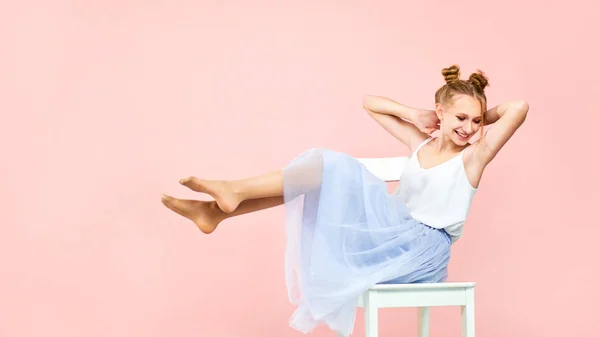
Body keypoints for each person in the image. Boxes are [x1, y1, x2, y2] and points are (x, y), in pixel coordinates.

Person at [160, 64, 529, 336]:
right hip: (389, 232)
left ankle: (232, 195)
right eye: (460, 118)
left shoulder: (474, 156)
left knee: (331, 167)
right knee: (323, 171)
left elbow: (518, 108)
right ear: (441, 112)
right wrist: (414, 114)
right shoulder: (422, 143)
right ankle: (218, 211)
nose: (468, 128)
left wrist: (479, 112)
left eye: (476, 121)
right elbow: (369, 103)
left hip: (424, 249)